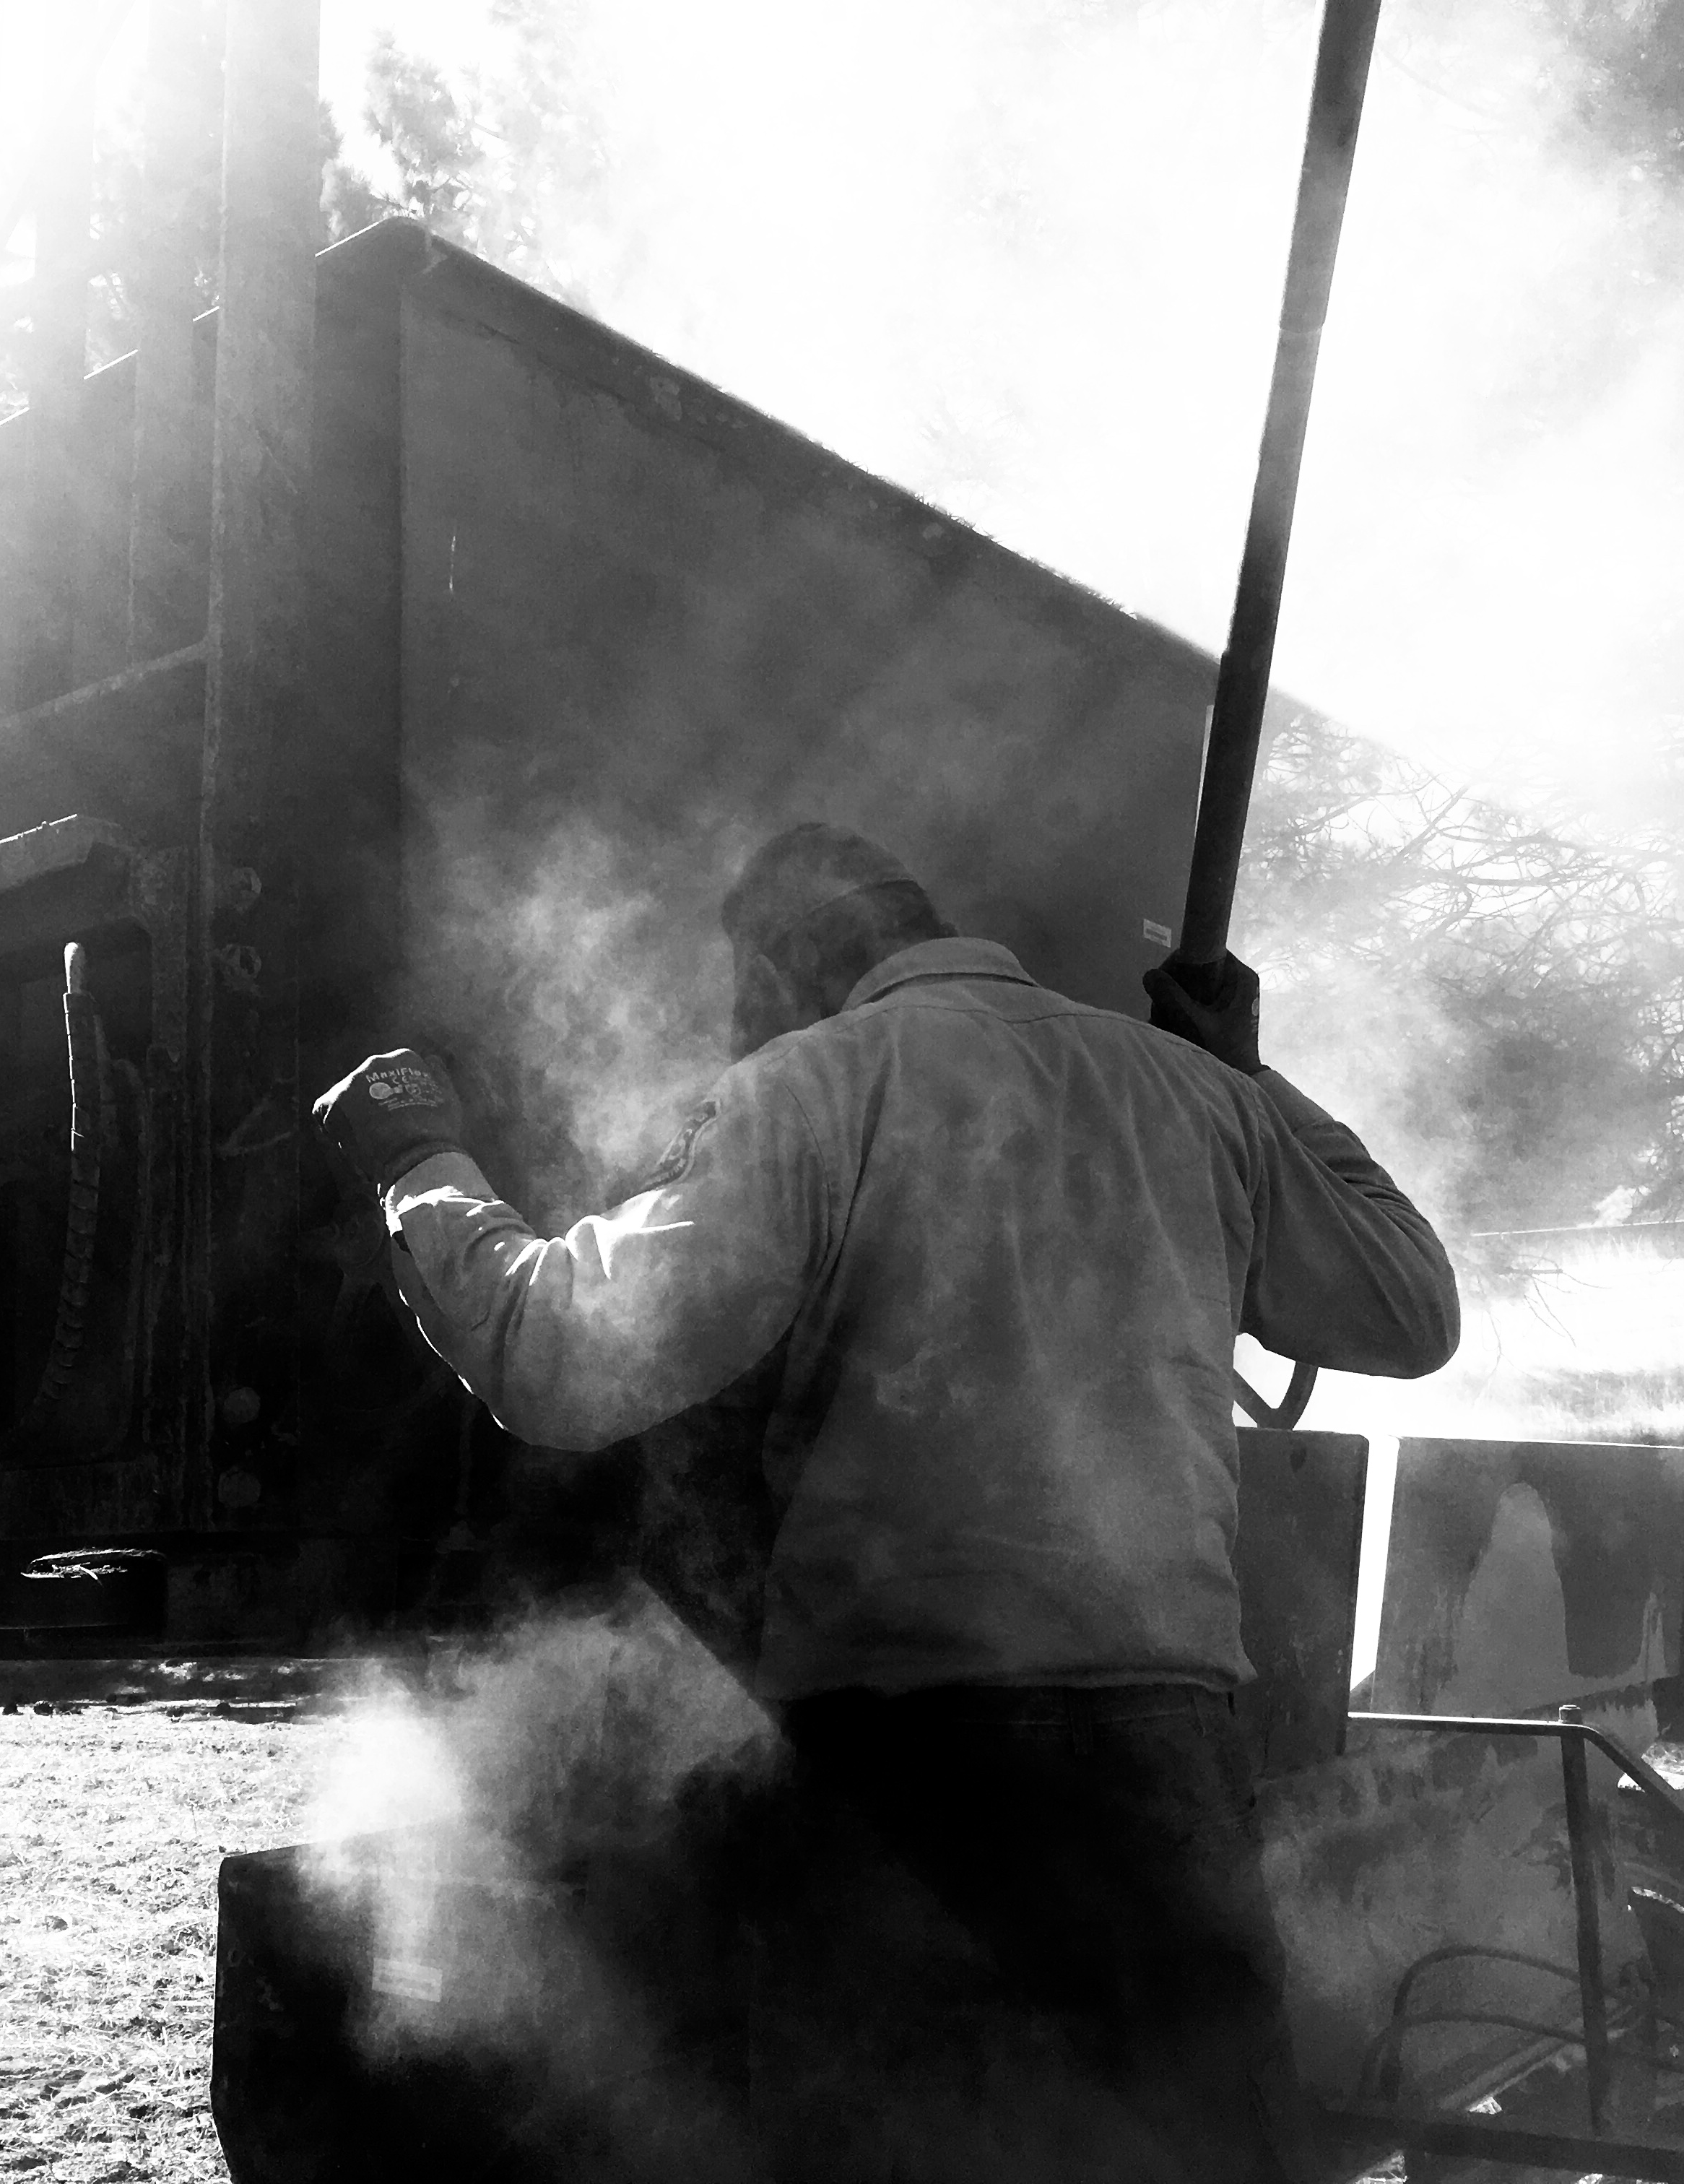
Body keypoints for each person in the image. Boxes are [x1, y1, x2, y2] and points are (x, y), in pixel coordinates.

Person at [313, 822, 1459, 2183]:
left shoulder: (809, 1090)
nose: (736, 1023)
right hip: (1169, 1751)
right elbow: (1409, 1302)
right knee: (1211, 2142)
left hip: (924, 1768)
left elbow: (564, 1359)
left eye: (743, 988)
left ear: (792, 962)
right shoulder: (1186, 1091)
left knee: (909, 2144)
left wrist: (420, 1170)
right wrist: (1253, 1079)